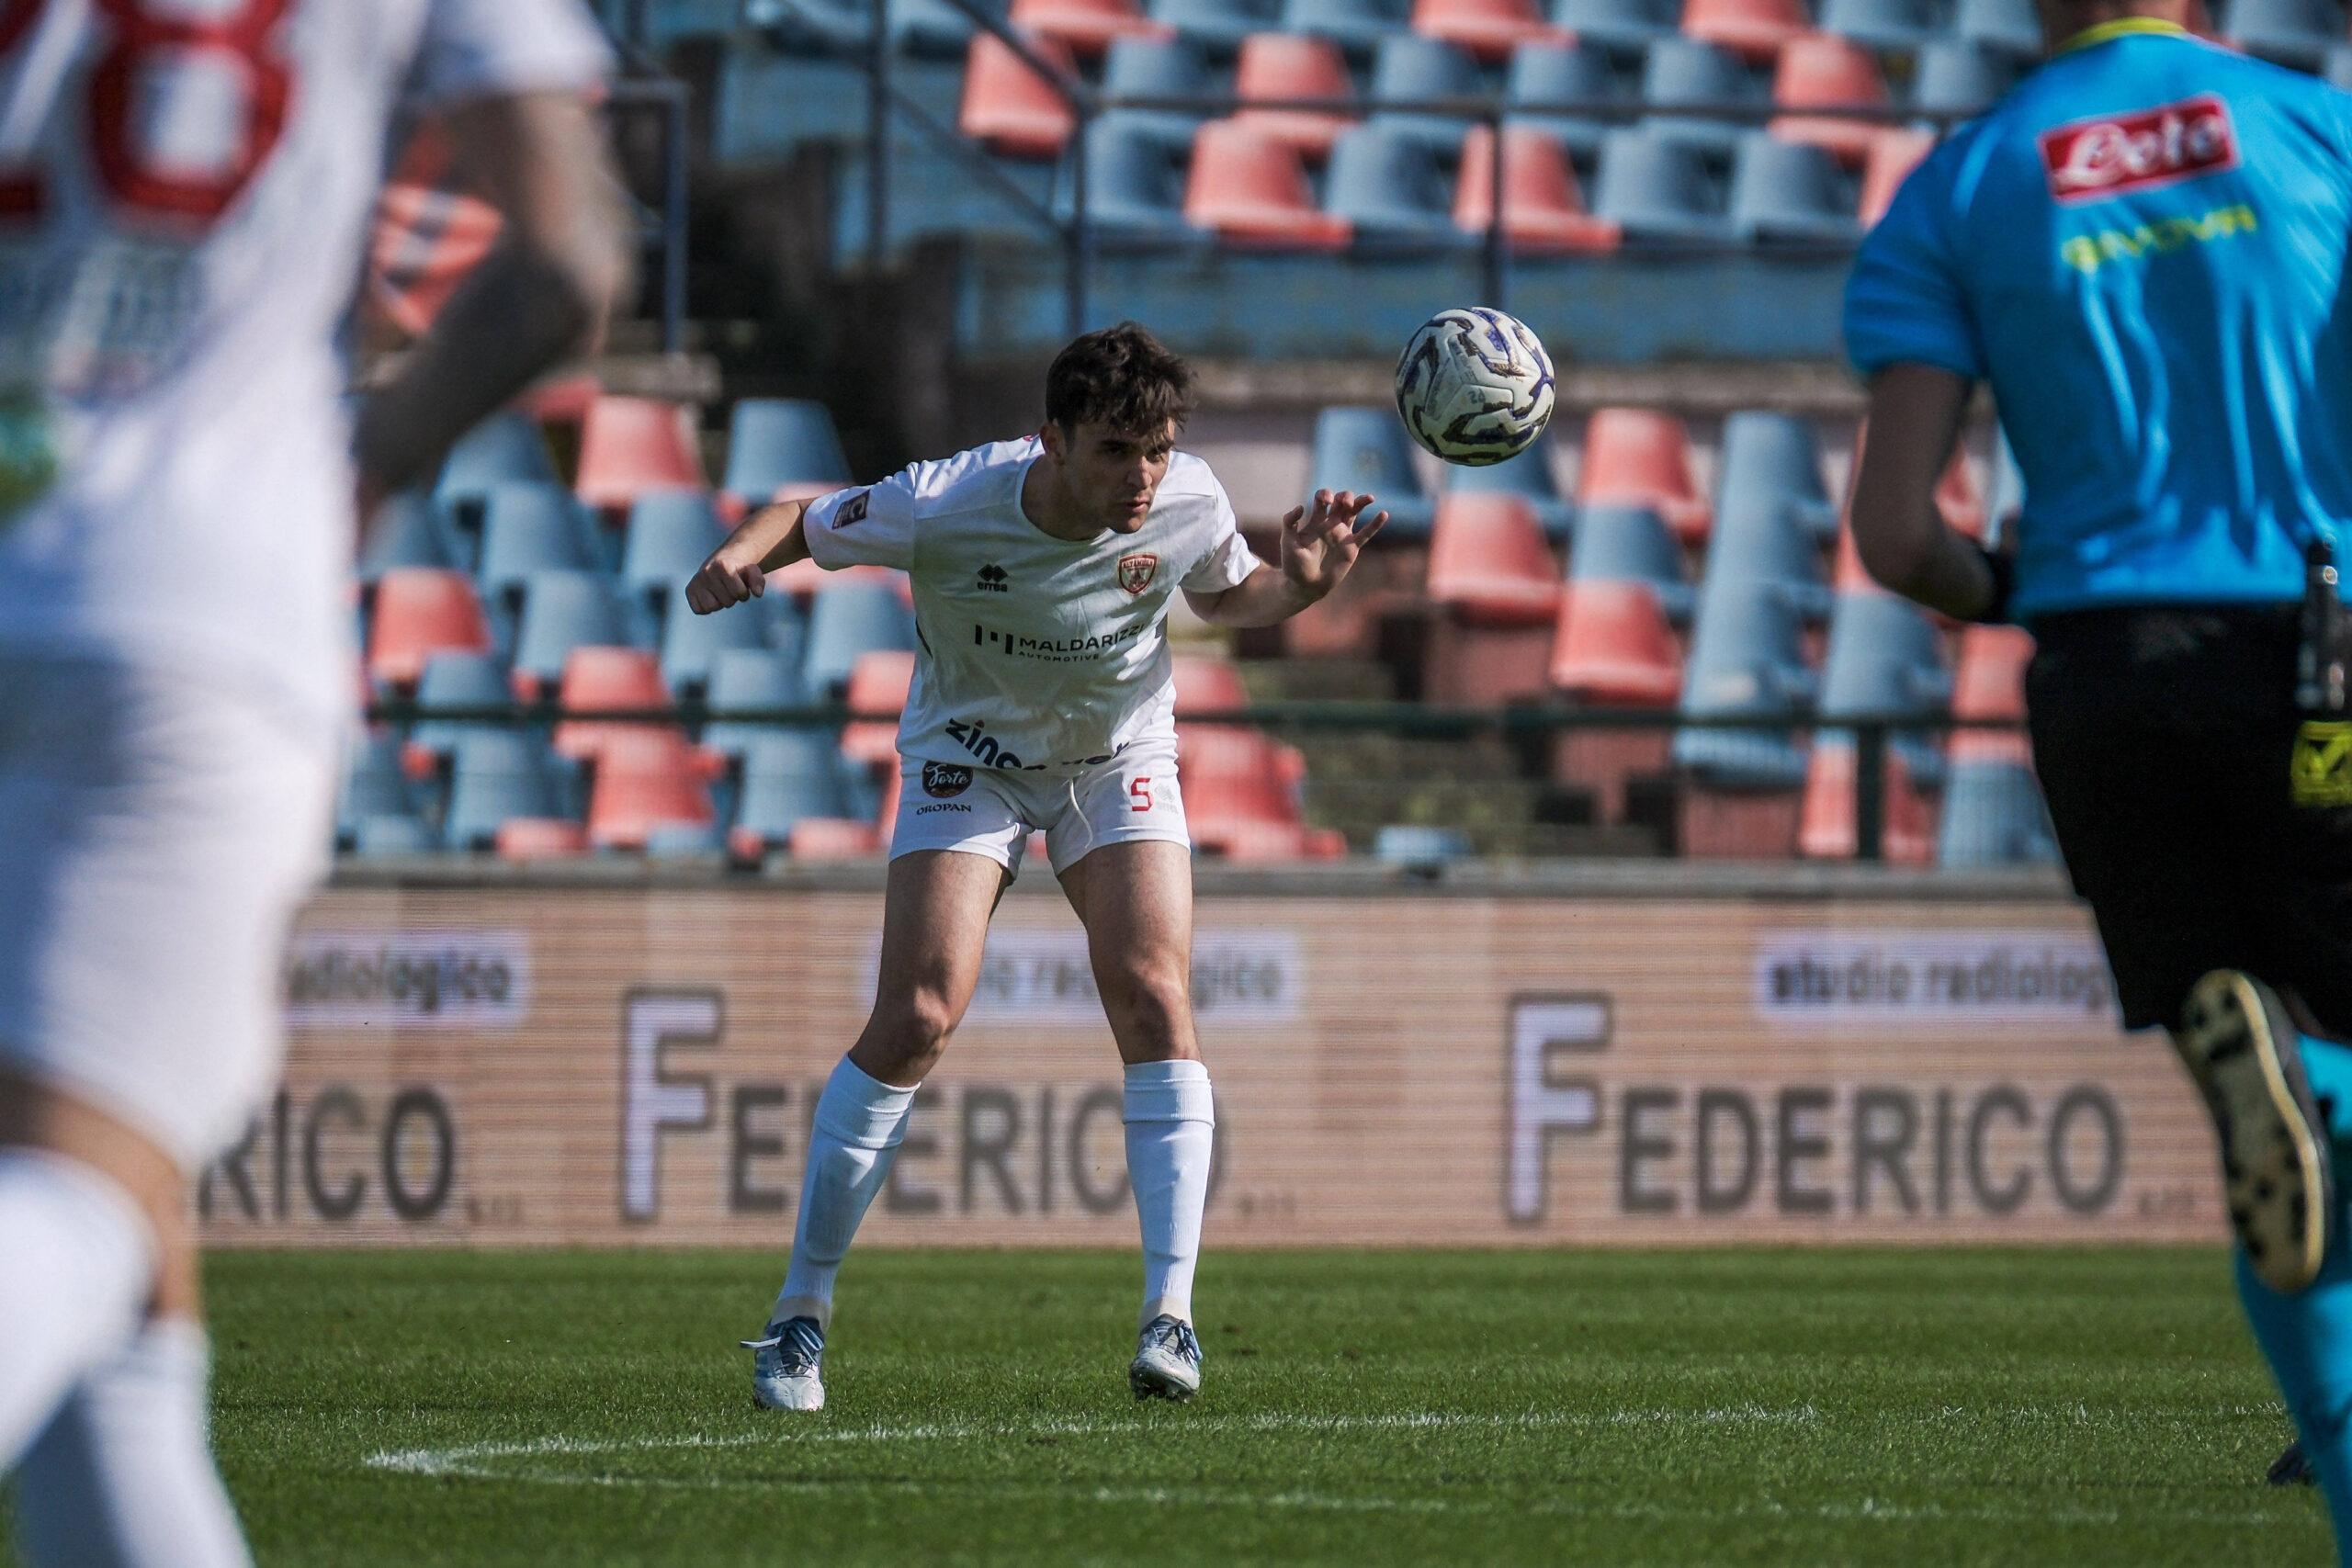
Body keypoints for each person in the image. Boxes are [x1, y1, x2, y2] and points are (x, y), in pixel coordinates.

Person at [0, 4, 626, 1562]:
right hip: (181, 603)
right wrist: (359, 467)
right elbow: (568, 261)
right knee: (81, 1202)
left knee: (138, 1298)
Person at [1843, 3, 2352, 1557]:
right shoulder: (2312, 125)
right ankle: (2307, 1073)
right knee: (2331, 1061)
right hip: (2316, 647)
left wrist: (2017, 593)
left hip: (2093, 674)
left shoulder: (1963, 179)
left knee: (2270, 1122)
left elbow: (1898, 536)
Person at [685, 322, 1381, 1409]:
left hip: (1115, 758)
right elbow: (799, 518)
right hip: (971, 761)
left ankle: (1174, 1319)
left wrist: (1299, 587)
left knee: (1156, 997)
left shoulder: (1187, 498)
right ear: (1050, 440)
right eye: (1114, 451)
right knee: (918, 1015)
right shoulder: (947, 500)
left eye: (1155, 449)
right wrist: (735, 557)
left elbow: (1225, 593)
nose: (1141, 477)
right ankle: (799, 1316)